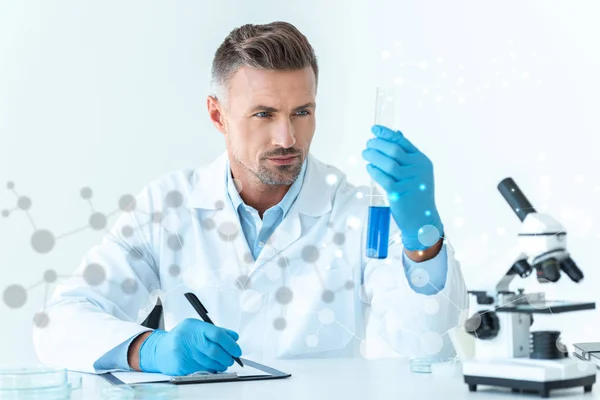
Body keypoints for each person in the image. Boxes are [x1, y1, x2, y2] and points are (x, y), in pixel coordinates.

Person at [33, 21, 468, 375]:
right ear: (217, 115)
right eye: (264, 114)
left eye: (302, 112)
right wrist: (148, 350)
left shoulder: (356, 210)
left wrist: (422, 239)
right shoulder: (166, 207)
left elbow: (425, 340)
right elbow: (59, 322)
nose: (288, 137)